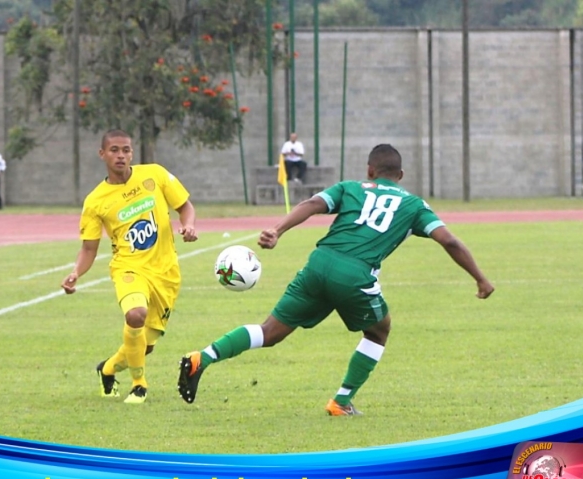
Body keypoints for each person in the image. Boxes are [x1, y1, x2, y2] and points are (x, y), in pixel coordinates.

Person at [178, 143, 494, 415]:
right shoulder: (413, 205)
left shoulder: (350, 187)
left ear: (370, 170)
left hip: (318, 263)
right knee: (379, 330)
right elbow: (449, 241)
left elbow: (311, 204)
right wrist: (480, 278)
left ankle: (201, 357)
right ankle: (341, 402)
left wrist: (278, 229)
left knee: (270, 331)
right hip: (355, 274)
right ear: (400, 176)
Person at [61, 129, 198, 404]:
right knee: (135, 315)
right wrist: (76, 271)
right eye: (114, 150)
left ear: (132, 153)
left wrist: (188, 225)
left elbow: (185, 207)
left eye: (126, 150)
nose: (120, 155)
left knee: (143, 347)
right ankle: (139, 384)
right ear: (103, 154)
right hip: (128, 269)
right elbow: (89, 248)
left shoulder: (155, 175)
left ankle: (108, 369)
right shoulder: (95, 201)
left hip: (166, 272)